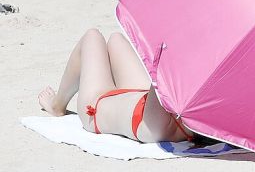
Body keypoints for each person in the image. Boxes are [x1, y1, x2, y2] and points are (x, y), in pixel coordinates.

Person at [38, 29, 194, 143]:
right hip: (138, 96)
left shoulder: (158, 126)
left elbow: (162, 64)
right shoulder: (185, 124)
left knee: (92, 37)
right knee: (116, 39)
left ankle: (57, 105)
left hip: (98, 104)